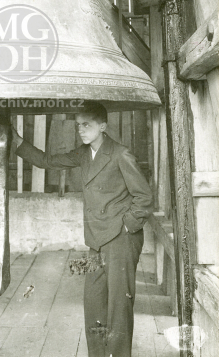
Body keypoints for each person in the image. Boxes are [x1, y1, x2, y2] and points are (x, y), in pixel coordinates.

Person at [11, 102, 153, 357]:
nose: (81, 130)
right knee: (93, 303)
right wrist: (17, 142)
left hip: (120, 240)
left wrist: (126, 226)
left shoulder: (121, 154)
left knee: (119, 307)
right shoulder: (83, 154)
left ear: (103, 126)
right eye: (78, 125)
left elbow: (144, 197)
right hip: (96, 241)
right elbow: (47, 161)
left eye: (86, 125)